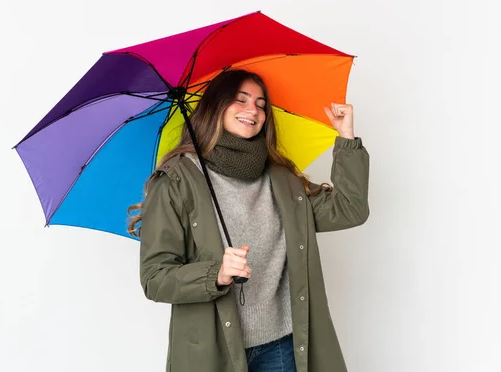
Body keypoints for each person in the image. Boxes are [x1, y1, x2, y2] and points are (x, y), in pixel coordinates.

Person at [127, 69, 370, 372]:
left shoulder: (282, 178)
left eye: (260, 104)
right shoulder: (176, 181)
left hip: (283, 346)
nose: (252, 110)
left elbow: (349, 209)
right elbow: (155, 278)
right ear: (216, 107)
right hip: (213, 351)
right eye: (239, 100)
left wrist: (346, 138)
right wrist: (215, 273)